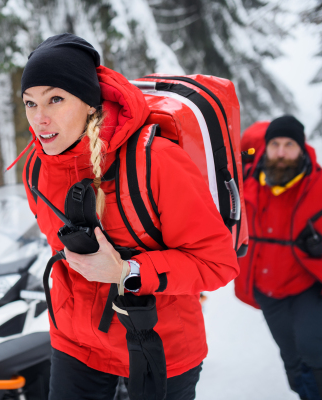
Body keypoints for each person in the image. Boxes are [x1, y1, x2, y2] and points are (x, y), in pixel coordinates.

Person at [17, 33, 239, 400]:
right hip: (75, 344)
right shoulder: (37, 169)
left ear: (89, 103)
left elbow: (218, 264)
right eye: (30, 103)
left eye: (56, 99)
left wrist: (126, 272)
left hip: (159, 348)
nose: (40, 118)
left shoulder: (156, 161)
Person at [235, 115, 322, 400]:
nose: (280, 152)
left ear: (302, 148)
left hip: (310, 284)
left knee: (312, 348)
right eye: (275, 144)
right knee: (290, 353)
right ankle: (307, 392)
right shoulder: (248, 182)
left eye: (289, 144)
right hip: (267, 287)